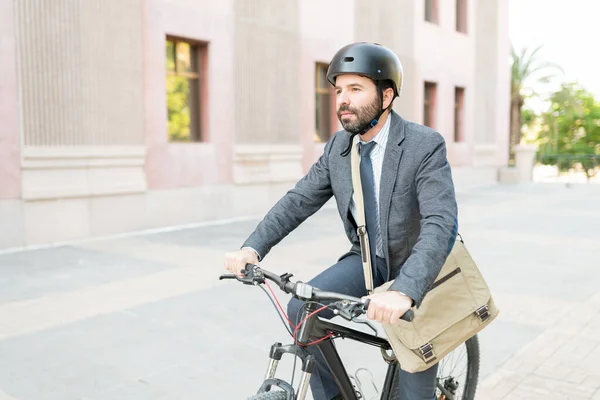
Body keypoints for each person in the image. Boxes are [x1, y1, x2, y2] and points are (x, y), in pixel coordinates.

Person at [224, 42, 458, 400]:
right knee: (302, 308)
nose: (342, 100)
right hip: (368, 262)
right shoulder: (339, 147)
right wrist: (252, 247)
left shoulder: (423, 145)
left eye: (355, 89)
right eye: (338, 90)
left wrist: (405, 291)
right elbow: (299, 201)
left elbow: (441, 223)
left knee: (414, 391)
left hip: (418, 270)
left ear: (386, 96)